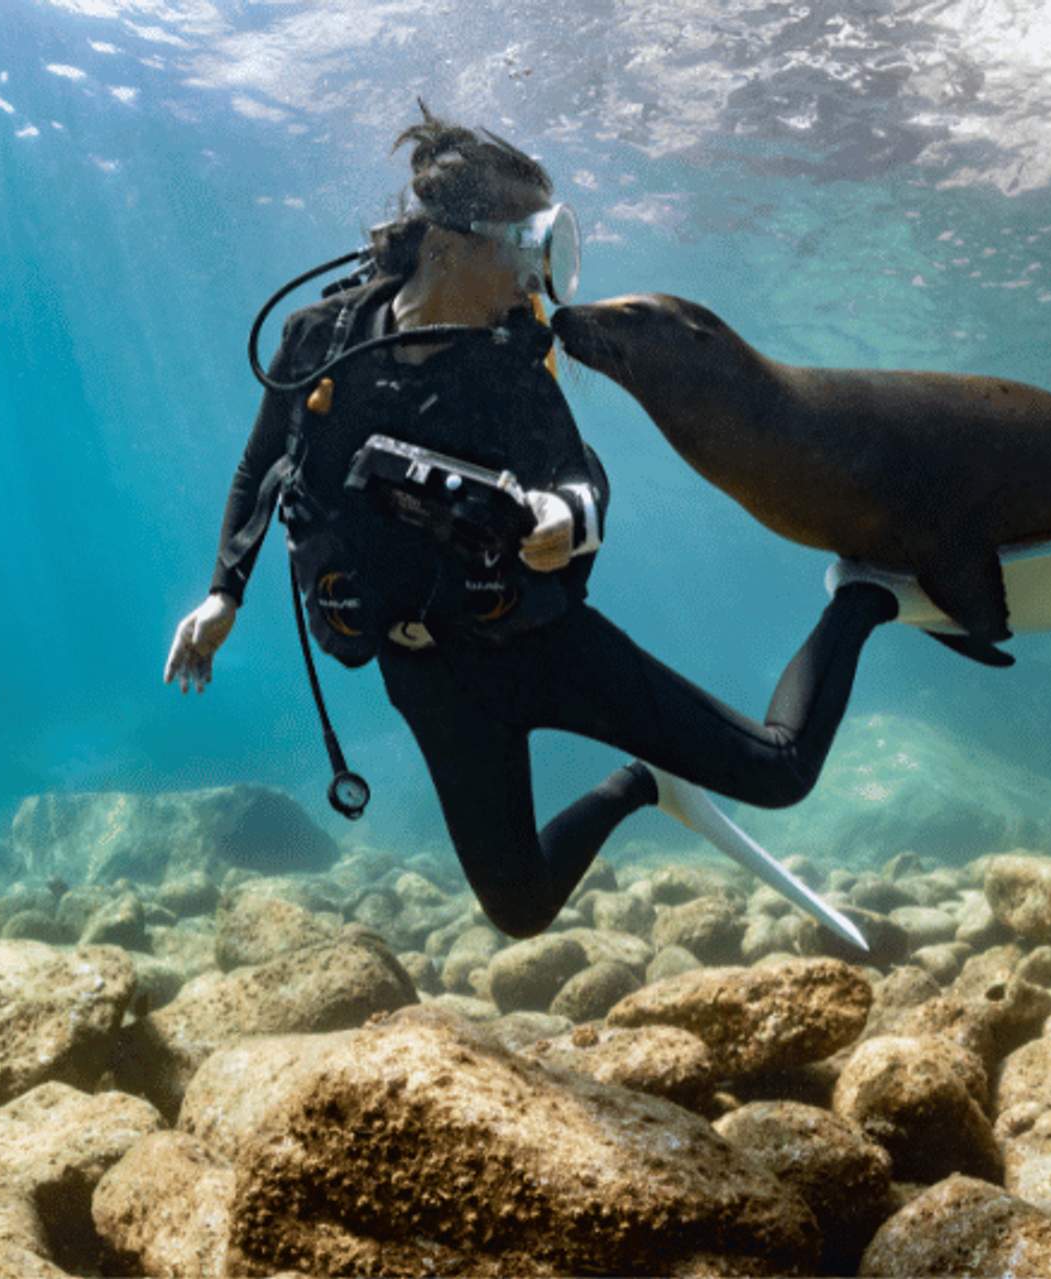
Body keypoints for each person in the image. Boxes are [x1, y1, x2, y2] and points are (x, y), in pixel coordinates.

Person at [165, 106, 899, 938]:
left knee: (779, 771)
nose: (535, 282)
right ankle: (643, 785)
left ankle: (863, 594)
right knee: (518, 909)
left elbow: (580, 478)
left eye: (547, 254)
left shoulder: (509, 363)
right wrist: (225, 592)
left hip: (539, 644)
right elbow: (260, 464)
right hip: (432, 678)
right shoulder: (317, 340)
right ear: (448, 244)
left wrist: (568, 516)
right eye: (523, 251)